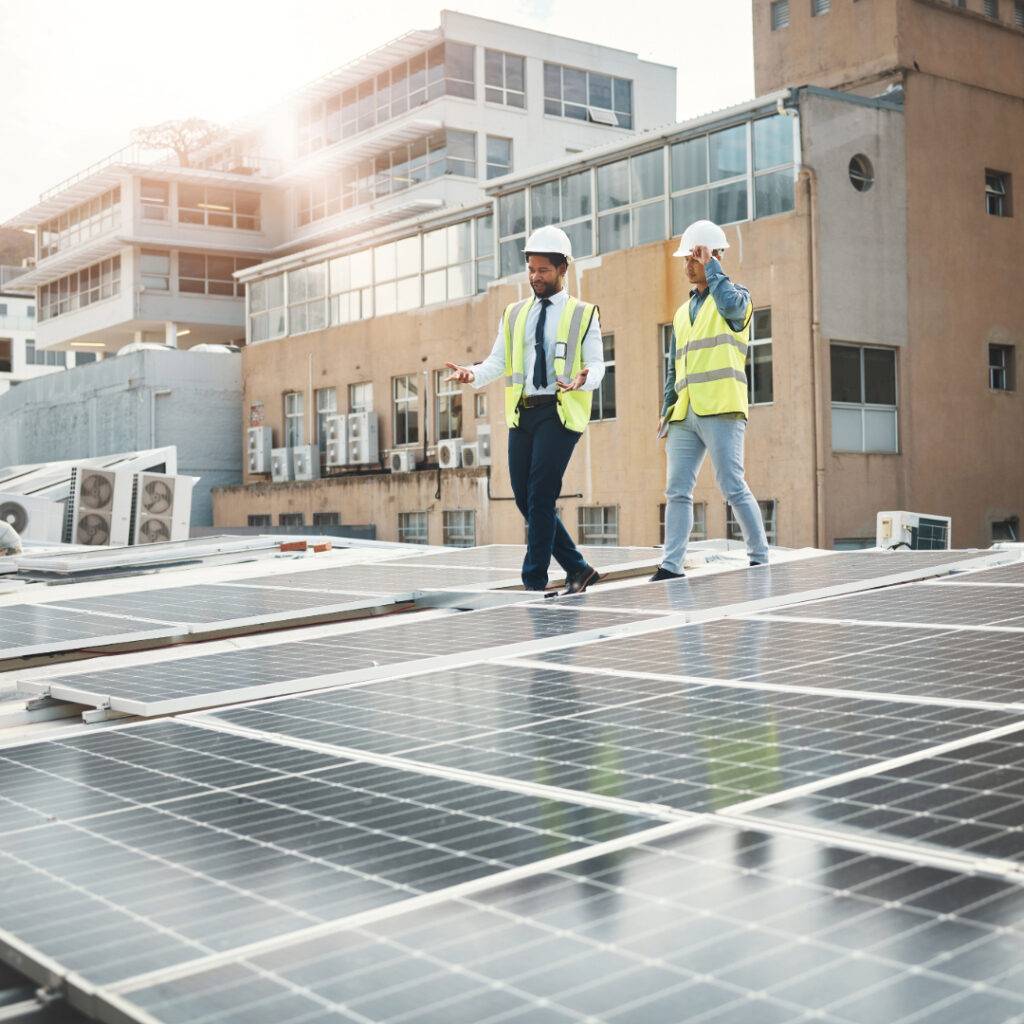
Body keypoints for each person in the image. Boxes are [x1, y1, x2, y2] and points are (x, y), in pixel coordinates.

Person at [445, 226, 605, 593]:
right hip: (523, 413)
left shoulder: (584, 314)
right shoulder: (515, 313)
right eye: (531, 269)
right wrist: (472, 373)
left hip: (560, 411)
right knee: (523, 495)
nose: (535, 277)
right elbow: (497, 362)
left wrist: (585, 378)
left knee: (541, 494)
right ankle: (577, 568)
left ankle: (533, 581)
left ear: (563, 268)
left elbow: (597, 364)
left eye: (543, 270)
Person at [652, 219, 769, 581]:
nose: (687, 265)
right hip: (685, 414)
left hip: (722, 408)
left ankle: (760, 557)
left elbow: (732, 309)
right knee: (677, 490)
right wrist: (667, 409)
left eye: (694, 257)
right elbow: (675, 367)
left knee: (732, 484)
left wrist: (713, 267)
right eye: (686, 258)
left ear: (713, 256)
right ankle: (671, 565)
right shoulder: (682, 313)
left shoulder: (738, 298)